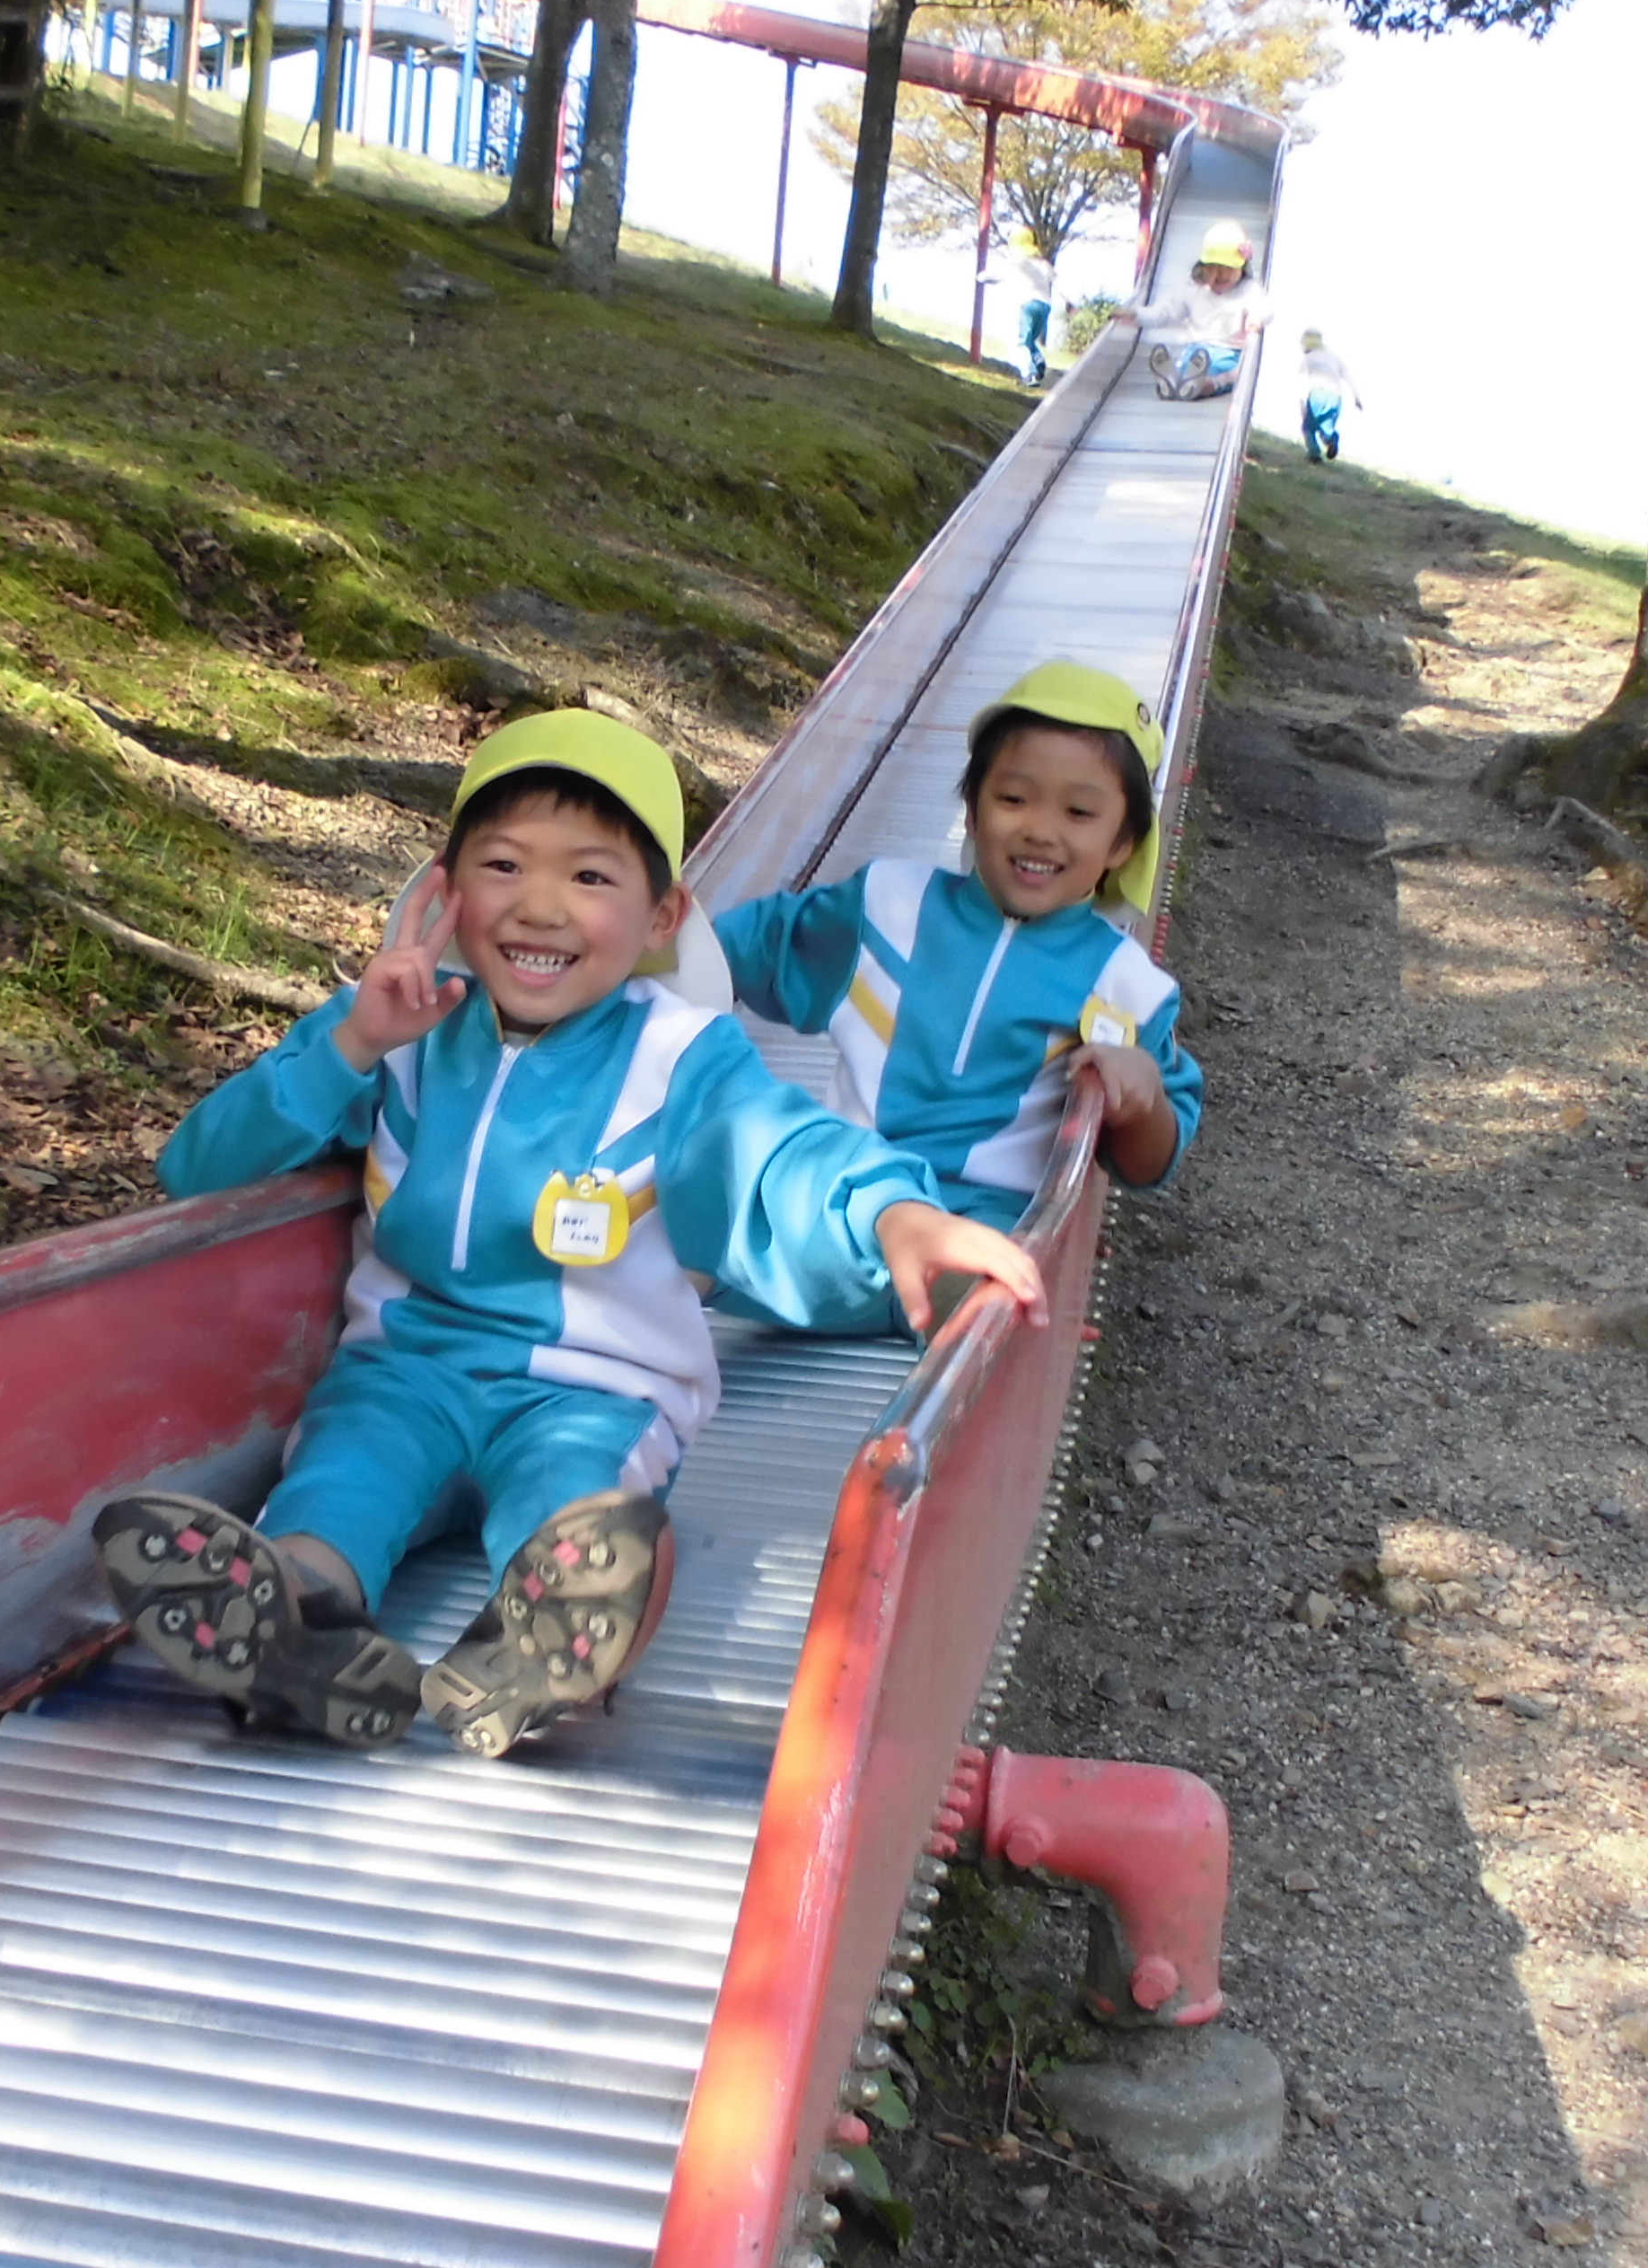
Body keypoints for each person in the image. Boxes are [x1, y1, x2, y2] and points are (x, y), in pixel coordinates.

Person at [94, 713, 1047, 1761]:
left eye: (590, 877)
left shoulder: (679, 1058)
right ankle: (291, 1624)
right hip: (405, 1372)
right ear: (446, 891)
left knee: (580, 1518)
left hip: (594, 1391)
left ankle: (545, 1648)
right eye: (503, 866)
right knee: (338, 1482)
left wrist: (894, 1213)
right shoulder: (402, 1032)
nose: (540, 905)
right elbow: (200, 1172)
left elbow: (785, 1154)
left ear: (660, 917)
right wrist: (351, 1041)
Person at [713, 661, 1205, 1276]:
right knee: (745, 1189)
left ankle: (917, 1289)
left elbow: (1148, 1165)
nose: (1040, 831)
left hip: (982, 1219)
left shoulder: (1128, 987)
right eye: (1013, 799)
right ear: (972, 811)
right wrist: (648, 952)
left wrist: (1143, 1096)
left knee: (987, 1268)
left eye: (1079, 813)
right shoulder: (884, 906)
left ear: (1123, 844)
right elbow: (745, 947)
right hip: (849, 1186)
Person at [1143, 220, 1262, 404]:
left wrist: (1256, 319)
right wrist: (1138, 315)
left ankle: (1198, 386)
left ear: (1242, 269)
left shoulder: (1249, 290)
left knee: (1228, 374)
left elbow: (1263, 307)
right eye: (1214, 270)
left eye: (1228, 270)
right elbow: (1168, 309)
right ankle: (1172, 380)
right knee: (1187, 365)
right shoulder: (1196, 291)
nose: (1220, 276)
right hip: (1197, 351)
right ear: (1203, 269)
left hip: (1229, 352)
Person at [1298, 329, 1357, 464]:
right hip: (1335, 396)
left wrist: (1302, 404)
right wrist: (1357, 398)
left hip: (1317, 394)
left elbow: (1301, 382)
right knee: (1326, 427)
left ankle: (1314, 455)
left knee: (1308, 428)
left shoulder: (1308, 359)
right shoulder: (1334, 358)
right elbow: (1348, 377)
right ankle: (1331, 439)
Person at [1012, 229, 1057, 389]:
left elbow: (997, 274)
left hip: (1028, 304)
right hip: (1045, 306)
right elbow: (1057, 281)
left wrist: (980, 277)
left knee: (1021, 342)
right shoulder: (1044, 265)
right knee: (1030, 340)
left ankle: (1029, 374)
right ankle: (1038, 361)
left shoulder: (1019, 263)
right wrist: (1071, 305)